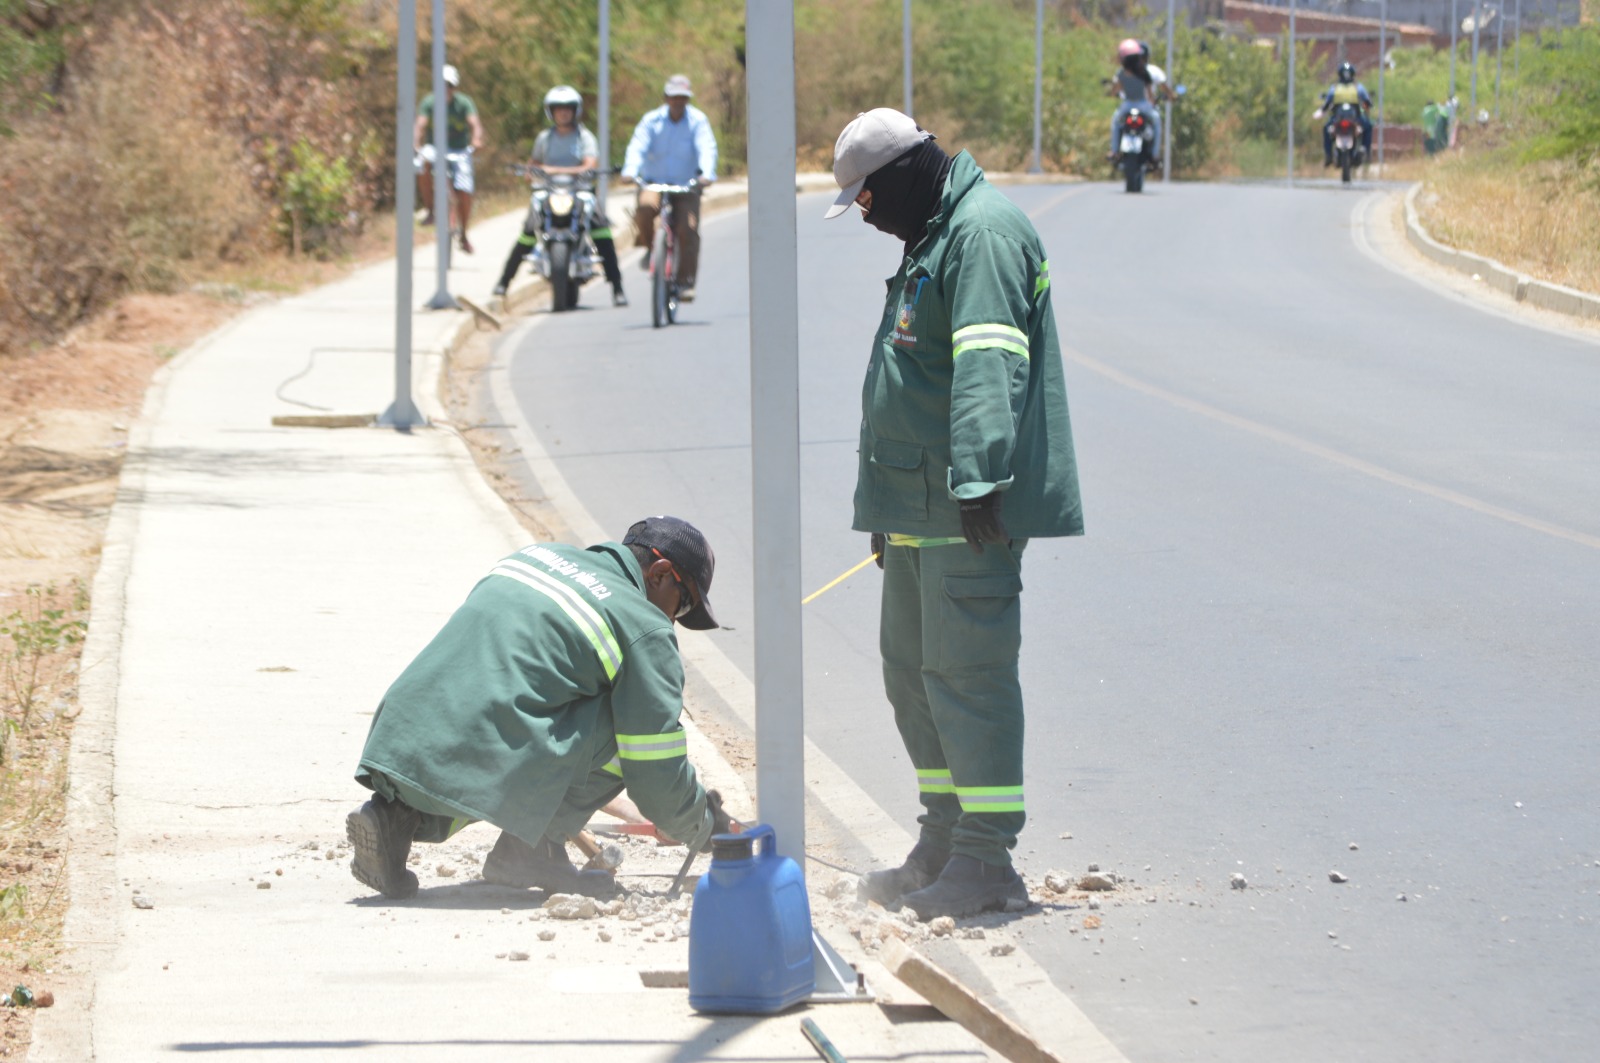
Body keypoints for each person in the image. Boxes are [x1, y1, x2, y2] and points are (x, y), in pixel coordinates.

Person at [822, 109, 1084, 921]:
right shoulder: (933, 233)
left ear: (902, 174)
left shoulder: (983, 234)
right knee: (913, 677)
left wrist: (978, 479)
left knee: (967, 677)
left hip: (963, 508)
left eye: (866, 198)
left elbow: (989, 362)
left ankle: (985, 856)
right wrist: (885, 503)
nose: (865, 214)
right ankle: (943, 834)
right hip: (915, 505)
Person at [345, 516, 735, 900]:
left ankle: (395, 819)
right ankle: (534, 849)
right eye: (682, 607)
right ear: (660, 574)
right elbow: (656, 773)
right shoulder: (643, 624)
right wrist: (704, 823)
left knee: (513, 704)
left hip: (397, 745)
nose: (673, 620)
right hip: (470, 756)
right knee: (629, 719)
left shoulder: (535, 557)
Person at [493, 85, 627, 306]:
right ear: (551, 112)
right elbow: (534, 164)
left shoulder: (585, 137)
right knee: (528, 232)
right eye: (558, 109)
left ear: (576, 110)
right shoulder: (544, 138)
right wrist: (529, 171)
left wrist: (553, 170)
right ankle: (503, 283)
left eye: (568, 108)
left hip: (580, 191)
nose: (563, 113)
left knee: (601, 231)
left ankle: (617, 287)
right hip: (548, 191)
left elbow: (589, 165)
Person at [621, 74, 717, 303]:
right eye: (673, 97)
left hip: (687, 186)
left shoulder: (698, 121)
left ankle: (685, 282)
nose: (678, 102)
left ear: (688, 99)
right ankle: (650, 247)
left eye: (682, 98)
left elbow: (707, 147)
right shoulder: (651, 121)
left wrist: (706, 173)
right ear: (665, 98)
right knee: (644, 209)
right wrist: (630, 170)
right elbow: (637, 146)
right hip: (654, 181)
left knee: (688, 228)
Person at [414, 63, 485, 253]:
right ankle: (431, 210)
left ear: (455, 87)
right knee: (422, 163)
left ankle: (463, 233)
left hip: (459, 150)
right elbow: (420, 125)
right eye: (442, 84)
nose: (445, 89)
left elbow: (475, 124)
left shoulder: (463, 103)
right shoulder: (429, 102)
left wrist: (477, 139)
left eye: (449, 85)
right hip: (435, 148)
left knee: (465, 190)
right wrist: (416, 143)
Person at [1107, 39, 1170, 165]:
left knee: (1115, 122)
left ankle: (1114, 151)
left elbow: (1115, 90)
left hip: (1127, 105)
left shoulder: (1122, 73)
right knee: (1157, 123)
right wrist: (1153, 102)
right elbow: (1150, 94)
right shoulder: (1144, 73)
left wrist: (1111, 94)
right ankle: (1154, 155)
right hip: (1144, 105)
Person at [1316, 62, 1373, 168]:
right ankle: (1365, 150)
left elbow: (1327, 104)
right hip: (1355, 119)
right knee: (1368, 126)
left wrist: (1322, 110)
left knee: (1326, 129)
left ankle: (1328, 155)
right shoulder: (1358, 87)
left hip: (1338, 119)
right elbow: (1367, 102)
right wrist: (1367, 105)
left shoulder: (1334, 88)